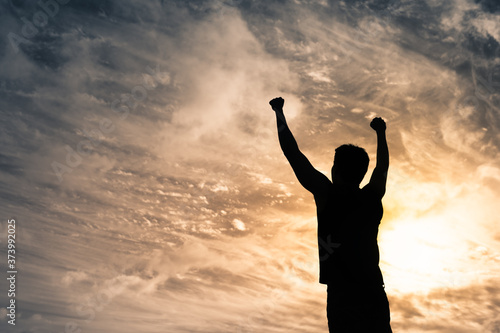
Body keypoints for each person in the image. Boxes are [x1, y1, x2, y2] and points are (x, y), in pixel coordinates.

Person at [269, 97, 392, 332]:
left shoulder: (327, 194)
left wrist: (278, 112)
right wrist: (381, 133)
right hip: (373, 290)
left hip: (343, 295)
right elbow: (383, 167)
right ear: (362, 172)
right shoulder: (372, 196)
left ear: (335, 168)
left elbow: (292, 154)